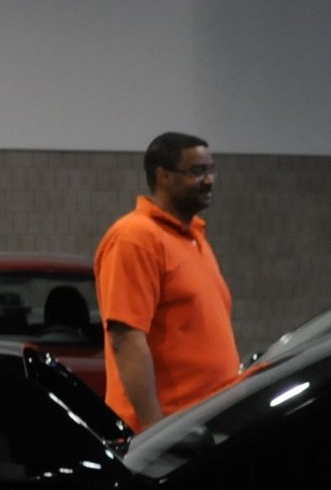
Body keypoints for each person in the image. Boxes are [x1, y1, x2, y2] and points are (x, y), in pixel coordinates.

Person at [96, 131, 240, 432]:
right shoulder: (135, 238)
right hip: (170, 433)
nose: (210, 180)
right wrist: (154, 432)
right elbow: (126, 339)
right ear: (163, 176)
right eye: (197, 172)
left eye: (211, 170)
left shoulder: (193, 237)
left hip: (204, 426)